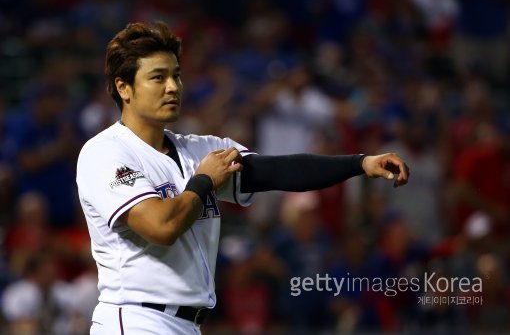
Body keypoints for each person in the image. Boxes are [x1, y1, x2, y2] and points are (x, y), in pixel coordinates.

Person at [76, 21, 410, 335]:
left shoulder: (201, 149)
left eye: (176, 76)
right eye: (158, 77)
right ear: (124, 87)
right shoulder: (105, 152)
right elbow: (160, 227)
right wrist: (205, 180)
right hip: (134, 320)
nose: (173, 87)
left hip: (186, 324)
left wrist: (360, 163)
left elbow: (280, 171)